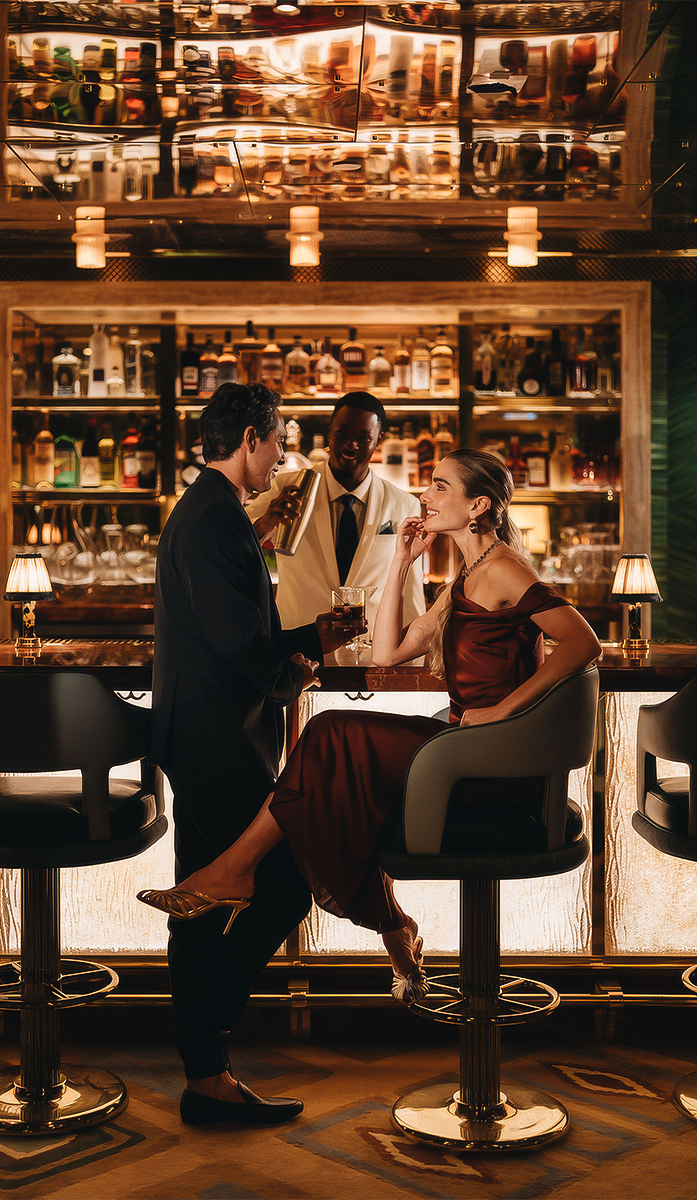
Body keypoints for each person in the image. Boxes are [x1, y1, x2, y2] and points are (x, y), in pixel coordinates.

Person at [141, 449, 601, 1036]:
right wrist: (402, 562)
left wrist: (501, 713)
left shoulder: (506, 569)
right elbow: (387, 654)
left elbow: (584, 643)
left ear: (477, 504)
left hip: (494, 765)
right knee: (342, 783)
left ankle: (239, 870)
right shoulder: (466, 575)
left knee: (332, 733)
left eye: (438, 488)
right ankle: (388, 926)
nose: (423, 497)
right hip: (460, 754)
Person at [148, 381, 359, 1128]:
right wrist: (301, 658)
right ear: (247, 439)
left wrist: (297, 653)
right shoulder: (213, 521)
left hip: (210, 734)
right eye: (278, 442)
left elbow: (229, 634)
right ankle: (205, 1068)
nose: (282, 458)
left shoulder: (211, 513)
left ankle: (206, 1067)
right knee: (272, 890)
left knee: (207, 905)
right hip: (214, 741)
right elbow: (238, 644)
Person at [245, 391, 425, 632]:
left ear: (378, 440)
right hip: (300, 647)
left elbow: (410, 590)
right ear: (330, 432)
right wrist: (264, 524)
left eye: (363, 437)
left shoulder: (405, 505)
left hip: (372, 652)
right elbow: (234, 546)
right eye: (342, 434)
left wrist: (412, 661)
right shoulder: (283, 489)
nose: (351, 445)